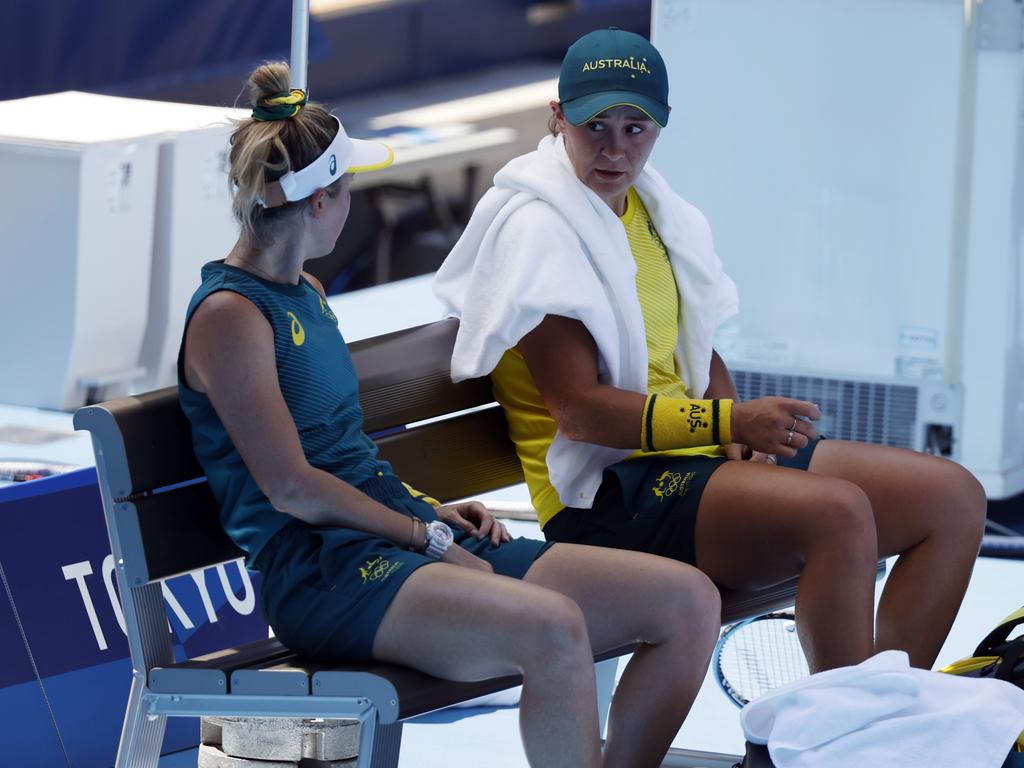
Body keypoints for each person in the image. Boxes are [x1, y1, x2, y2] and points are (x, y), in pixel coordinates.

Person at [177, 61, 723, 768]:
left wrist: (431, 512)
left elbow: (341, 453)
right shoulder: (230, 316)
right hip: (322, 577)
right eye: (349, 192)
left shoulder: (304, 290)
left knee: (685, 601)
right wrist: (424, 533)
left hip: (392, 539)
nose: (352, 206)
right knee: (555, 628)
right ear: (319, 203)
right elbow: (293, 487)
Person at [434, 28, 987, 674]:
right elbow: (580, 413)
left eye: (635, 129)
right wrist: (730, 420)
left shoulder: (647, 208)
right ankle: (846, 736)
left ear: (662, 125)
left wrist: (731, 423)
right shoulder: (537, 231)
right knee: (837, 514)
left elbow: (695, 350)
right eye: (595, 127)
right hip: (608, 498)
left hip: (690, 461)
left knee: (952, 498)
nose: (615, 150)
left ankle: (877, 723)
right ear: (558, 117)